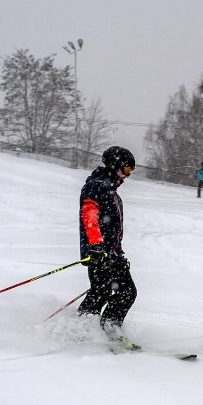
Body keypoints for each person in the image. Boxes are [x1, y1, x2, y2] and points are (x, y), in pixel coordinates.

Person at [78, 146, 138, 344]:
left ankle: (111, 328)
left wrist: (118, 253)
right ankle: (79, 333)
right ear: (115, 166)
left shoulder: (113, 193)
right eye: (127, 170)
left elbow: (113, 230)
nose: (128, 175)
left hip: (111, 254)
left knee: (128, 292)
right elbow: (90, 215)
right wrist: (95, 245)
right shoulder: (97, 186)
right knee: (100, 292)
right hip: (98, 253)